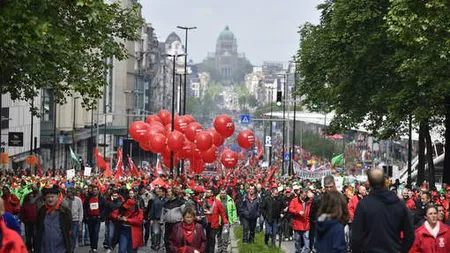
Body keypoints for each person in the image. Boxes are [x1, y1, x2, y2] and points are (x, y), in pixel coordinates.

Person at [351, 169, 415, 253]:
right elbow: (410, 234)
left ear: (369, 183)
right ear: (384, 181)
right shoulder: (399, 204)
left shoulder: (363, 205)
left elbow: (356, 237)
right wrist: (401, 250)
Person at [36, 185, 72, 253]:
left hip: (61, 249)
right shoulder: (41, 211)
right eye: (48, 197)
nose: (50, 199)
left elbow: (68, 230)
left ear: (57, 197)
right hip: (44, 248)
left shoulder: (64, 211)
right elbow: (38, 228)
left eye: (52, 197)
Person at [20, 183, 44, 252]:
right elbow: (23, 209)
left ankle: (36, 248)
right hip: (28, 220)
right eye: (32, 187)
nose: (34, 188)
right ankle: (29, 248)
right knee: (28, 236)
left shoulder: (41, 196)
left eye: (35, 187)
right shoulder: (27, 197)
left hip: (37, 219)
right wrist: (23, 219)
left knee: (35, 235)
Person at [161, 188, 185, 253]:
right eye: (167, 195)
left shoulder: (180, 202)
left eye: (169, 195)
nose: (168, 196)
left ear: (173, 195)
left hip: (177, 224)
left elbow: (184, 212)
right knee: (167, 239)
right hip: (168, 224)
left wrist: (184, 222)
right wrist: (161, 222)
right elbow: (162, 214)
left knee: (177, 239)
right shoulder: (165, 203)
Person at [83, 185, 105, 253]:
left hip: (97, 218)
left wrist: (100, 215)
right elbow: (85, 208)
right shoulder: (88, 198)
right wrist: (86, 216)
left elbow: (104, 208)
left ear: (98, 191)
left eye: (96, 190)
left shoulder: (101, 199)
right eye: (93, 190)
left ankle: (95, 248)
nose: (94, 191)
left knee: (96, 233)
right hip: (90, 218)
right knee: (91, 233)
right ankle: (92, 247)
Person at [289, 188, 312, 253]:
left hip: (306, 223)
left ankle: (307, 251)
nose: (305, 197)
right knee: (297, 239)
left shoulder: (309, 201)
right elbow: (290, 209)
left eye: (306, 195)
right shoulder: (294, 200)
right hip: (297, 223)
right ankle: (298, 250)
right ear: (300, 194)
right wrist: (298, 212)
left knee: (306, 238)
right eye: (304, 195)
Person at [216, 188, 238, 253]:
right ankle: (220, 248)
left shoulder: (230, 199)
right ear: (219, 193)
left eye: (224, 193)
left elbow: (234, 209)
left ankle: (225, 248)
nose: (223, 194)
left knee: (225, 234)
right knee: (219, 234)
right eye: (221, 193)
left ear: (226, 193)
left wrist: (234, 218)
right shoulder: (216, 199)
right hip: (218, 220)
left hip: (227, 220)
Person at [65, 187, 84, 252]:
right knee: (68, 236)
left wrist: (80, 220)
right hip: (67, 220)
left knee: (73, 235)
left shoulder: (78, 200)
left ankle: (72, 249)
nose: (68, 193)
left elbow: (80, 210)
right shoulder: (64, 200)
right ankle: (68, 248)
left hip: (75, 220)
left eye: (69, 192)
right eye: (67, 192)